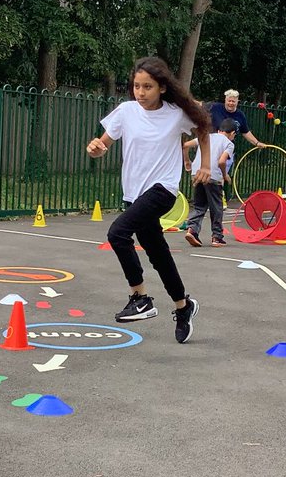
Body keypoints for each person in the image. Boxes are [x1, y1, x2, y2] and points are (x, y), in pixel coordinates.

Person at [87, 57, 211, 343]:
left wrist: (204, 164)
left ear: (162, 88)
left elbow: (203, 127)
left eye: (147, 87)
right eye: (136, 86)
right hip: (134, 193)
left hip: (163, 189)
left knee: (117, 233)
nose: (140, 93)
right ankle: (183, 306)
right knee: (157, 252)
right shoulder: (126, 111)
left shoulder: (176, 114)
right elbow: (103, 144)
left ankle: (140, 298)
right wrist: (96, 149)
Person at [184, 118, 237, 248]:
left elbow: (185, 145)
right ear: (232, 133)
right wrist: (224, 176)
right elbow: (222, 161)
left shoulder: (207, 136)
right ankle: (217, 237)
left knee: (199, 205)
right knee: (216, 207)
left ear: (219, 130)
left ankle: (192, 230)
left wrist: (187, 161)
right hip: (213, 176)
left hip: (197, 173)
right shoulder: (229, 144)